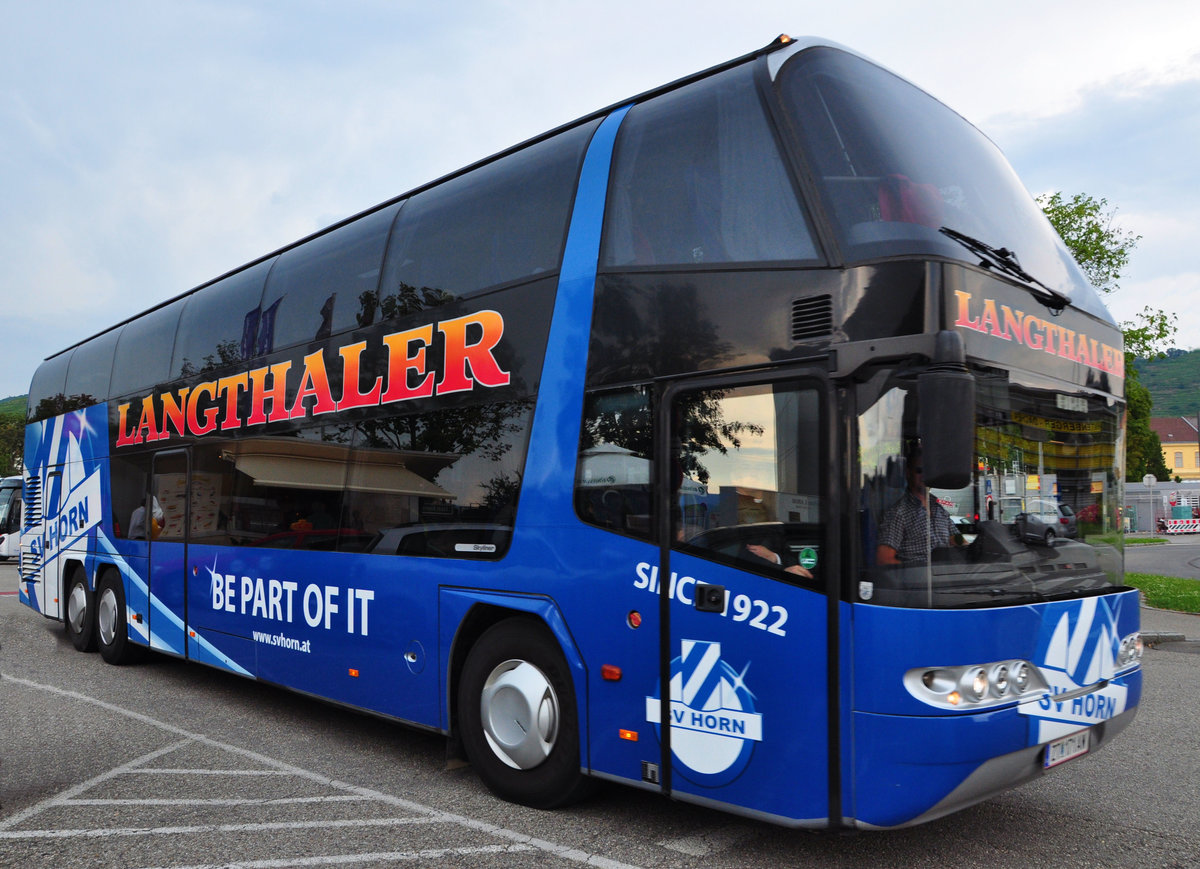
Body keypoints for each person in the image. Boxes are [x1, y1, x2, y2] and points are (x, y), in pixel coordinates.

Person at [876, 447, 961, 565]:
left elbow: (956, 539)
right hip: (921, 581)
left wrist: (975, 546)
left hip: (945, 578)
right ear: (908, 473)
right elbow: (884, 558)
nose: (925, 475)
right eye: (919, 470)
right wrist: (912, 575)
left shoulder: (939, 509)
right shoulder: (899, 513)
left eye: (929, 471)